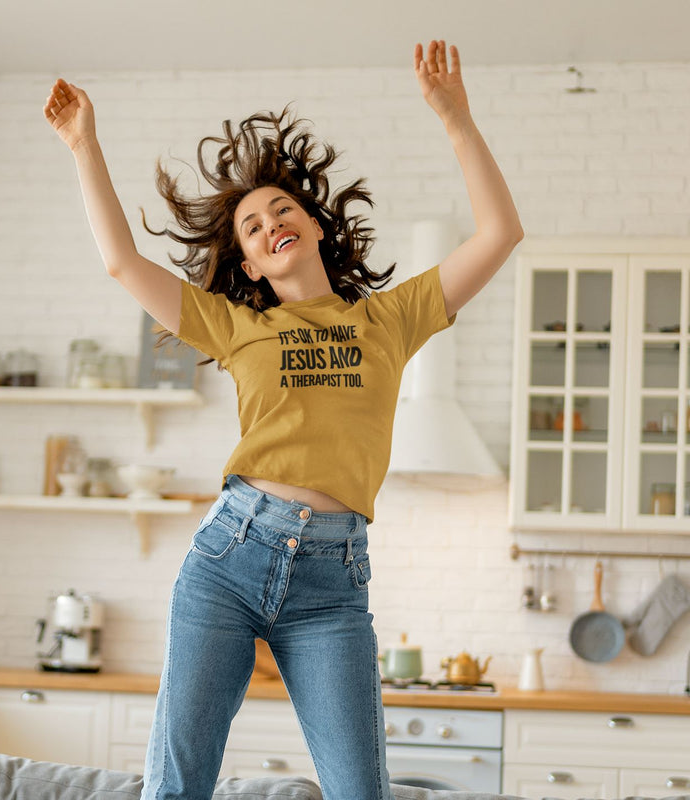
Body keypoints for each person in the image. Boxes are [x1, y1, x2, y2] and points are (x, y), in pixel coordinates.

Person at [44, 39, 523, 800]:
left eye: (282, 211)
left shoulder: (390, 320)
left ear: (316, 225)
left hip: (334, 585)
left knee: (361, 792)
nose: (270, 227)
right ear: (253, 266)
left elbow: (500, 235)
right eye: (253, 230)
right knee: (177, 785)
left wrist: (457, 120)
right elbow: (122, 263)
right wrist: (84, 146)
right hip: (229, 557)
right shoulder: (239, 327)